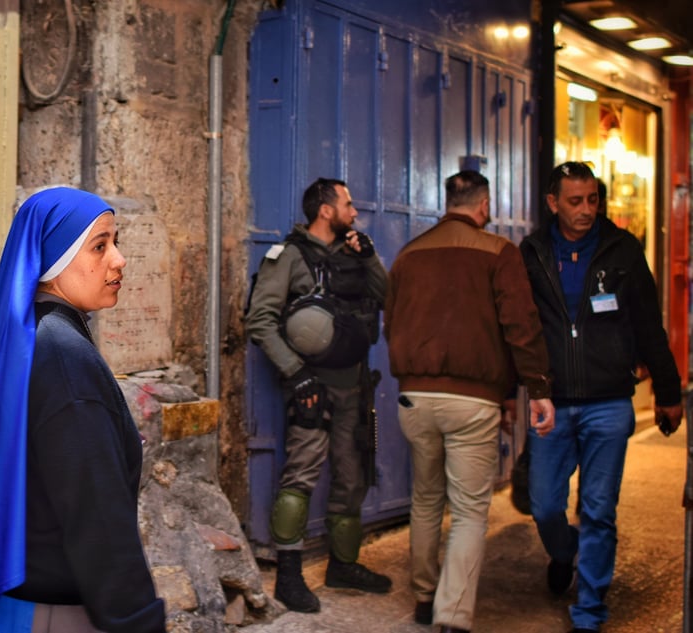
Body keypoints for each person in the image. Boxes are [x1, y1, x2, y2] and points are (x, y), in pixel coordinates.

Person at [0, 188, 166, 633]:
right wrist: (139, 620)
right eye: (100, 245)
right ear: (54, 257)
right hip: (45, 615)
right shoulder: (65, 359)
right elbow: (97, 515)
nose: (119, 259)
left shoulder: (14, 343)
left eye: (115, 242)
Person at [384, 170, 555, 633]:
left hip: (414, 398)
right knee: (469, 510)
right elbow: (520, 324)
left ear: (448, 202)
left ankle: (423, 596)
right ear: (484, 206)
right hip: (471, 402)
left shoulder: (408, 254)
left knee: (424, 498)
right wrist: (535, 389)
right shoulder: (500, 252)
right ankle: (452, 616)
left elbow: (391, 322)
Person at [520, 161, 682, 633]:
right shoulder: (531, 252)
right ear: (553, 203)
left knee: (598, 508)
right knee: (544, 504)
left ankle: (589, 608)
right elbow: (518, 327)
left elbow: (650, 325)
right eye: (575, 201)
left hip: (609, 401)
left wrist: (669, 393)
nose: (587, 210)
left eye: (593, 199)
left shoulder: (623, 250)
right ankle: (566, 552)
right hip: (553, 400)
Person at [245, 177, 391, 613]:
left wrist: (370, 259)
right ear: (326, 210)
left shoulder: (356, 253)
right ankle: (289, 575)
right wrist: (296, 374)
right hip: (311, 386)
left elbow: (388, 296)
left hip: (354, 384)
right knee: (301, 475)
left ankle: (344, 565)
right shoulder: (288, 256)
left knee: (352, 476)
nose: (355, 211)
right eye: (348, 203)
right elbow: (260, 321)